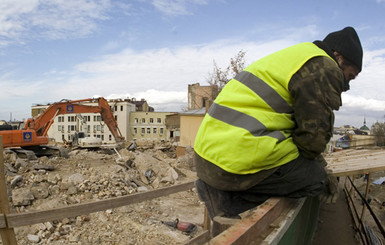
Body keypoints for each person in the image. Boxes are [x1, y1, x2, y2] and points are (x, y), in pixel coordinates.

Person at [194, 26, 363, 219]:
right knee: (316, 180)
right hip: (231, 165)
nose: (347, 85)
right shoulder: (324, 67)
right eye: (349, 76)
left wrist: (320, 162)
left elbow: (302, 133)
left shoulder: (296, 57)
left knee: (310, 166)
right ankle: (228, 199)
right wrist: (323, 172)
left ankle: (222, 192)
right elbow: (312, 140)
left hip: (206, 159)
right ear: (338, 58)